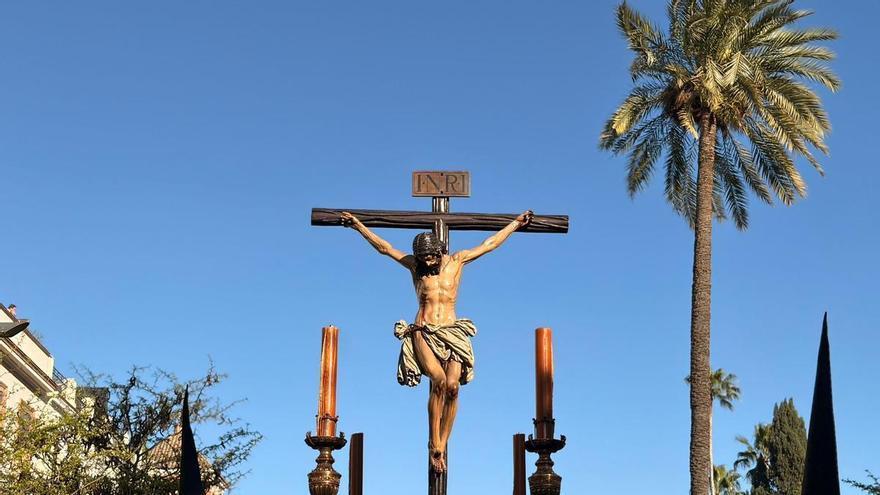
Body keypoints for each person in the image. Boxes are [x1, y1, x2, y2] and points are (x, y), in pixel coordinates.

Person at [339, 209, 533, 472]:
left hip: (452, 331)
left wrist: (515, 225)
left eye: (431, 256)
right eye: (423, 257)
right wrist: (358, 226)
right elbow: (385, 248)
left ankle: (443, 441)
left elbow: (490, 244)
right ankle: (434, 444)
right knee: (439, 382)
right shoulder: (415, 267)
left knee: (453, 387)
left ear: (440, 251)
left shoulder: (457, 261)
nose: (428, 261)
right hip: (424, 330)